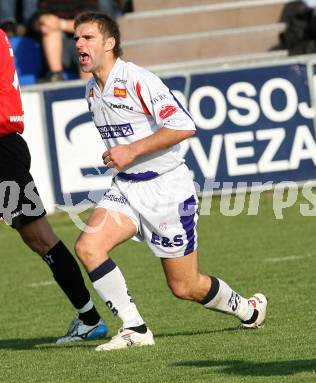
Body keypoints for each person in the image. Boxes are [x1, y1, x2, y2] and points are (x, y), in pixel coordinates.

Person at [73, 12, 268, 352]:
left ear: (109, 43)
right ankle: (134, 327)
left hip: (166, 190)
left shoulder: (137, 79)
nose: (78, 44)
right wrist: (124, 157)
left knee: (184, 286)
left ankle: (249, 310)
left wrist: (131, 150)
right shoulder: (92, 90)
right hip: (127, 187)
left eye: (87, 37)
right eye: (76, 38)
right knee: (88, 247)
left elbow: (183, 125)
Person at [0, 28, 108, 343]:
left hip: (3, 152)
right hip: (7, 150)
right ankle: (89, 317)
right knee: (40, 241)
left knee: (41, 240)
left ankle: (90, 318)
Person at [33, 0, 100, 82]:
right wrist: (42, 22)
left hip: (83, 44)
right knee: (50, 29)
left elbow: (92, 23)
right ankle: (56, 76)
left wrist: (61, 24)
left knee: (88, 42)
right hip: (55, 48)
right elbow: (35, 21)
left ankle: (90, 89)